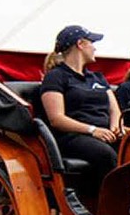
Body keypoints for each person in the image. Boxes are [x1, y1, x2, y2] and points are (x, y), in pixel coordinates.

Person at [41, 24, 121, 198]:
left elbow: (114, 109)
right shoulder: (56, 77)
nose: (95, 47)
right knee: (105, 154)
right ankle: (110, 210)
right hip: (73, 136)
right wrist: (93, 130)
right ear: (80, 44)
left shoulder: (97, 77)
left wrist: (115, 127)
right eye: (92, 43)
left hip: (105, 133)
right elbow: (57, 119)